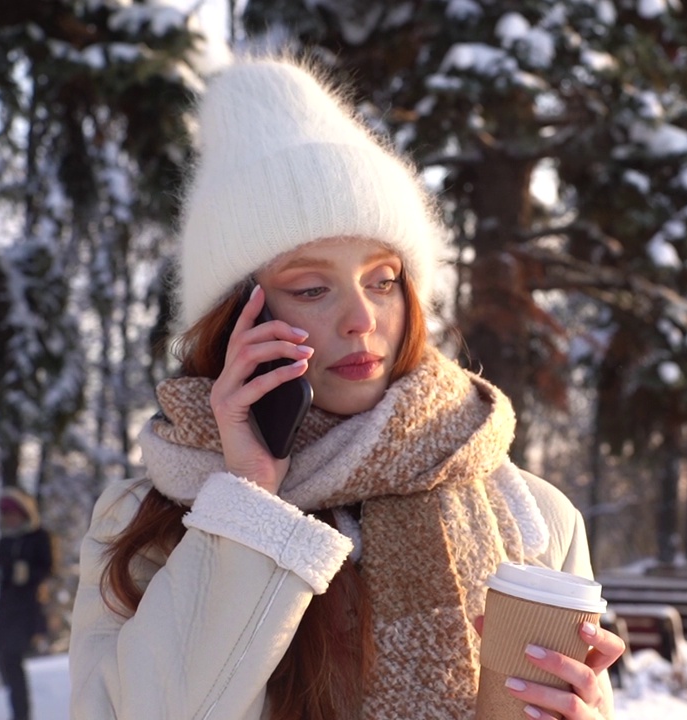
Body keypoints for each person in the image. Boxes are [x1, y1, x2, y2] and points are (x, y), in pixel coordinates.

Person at [69, 54, 625, 720]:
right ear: (237, 320)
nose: (362, 320)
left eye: (383, 281)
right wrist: (248, 502)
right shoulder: (143, 525)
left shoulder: (533, 517)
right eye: (311, 288)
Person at [0, 487, 53, 720]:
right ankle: (18, 712)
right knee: (4, 658)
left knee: (14, 658)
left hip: (27, 609)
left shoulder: (39, 537)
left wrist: (28, 573)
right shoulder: (5, 540)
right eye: (6, 515)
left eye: (13, 514)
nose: (10, 519)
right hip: (5, 609)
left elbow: (47, 567)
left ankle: (21, 715)